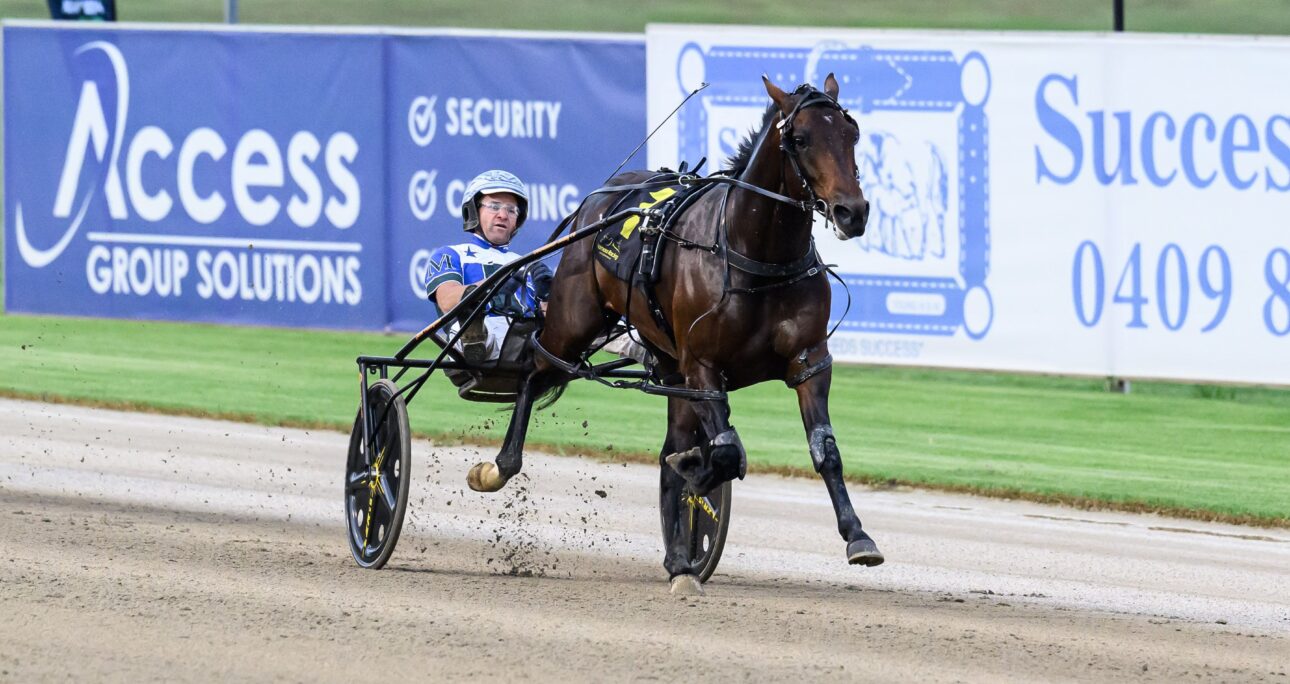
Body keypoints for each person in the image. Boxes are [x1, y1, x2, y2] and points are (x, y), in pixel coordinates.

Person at [424, 169, 553, 363]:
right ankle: (474, 335)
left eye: (511, 210)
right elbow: (448, 301)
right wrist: (495, 285)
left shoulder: (528, 264)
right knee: (468, 323)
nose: (503, 215)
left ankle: (616, 338)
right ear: (474, 210)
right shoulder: (450, 254)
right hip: (476, 338)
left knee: (579, 316)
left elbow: (551, 321)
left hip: (527, 341)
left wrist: (548, 297)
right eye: (494, 206)